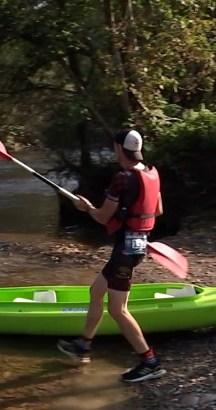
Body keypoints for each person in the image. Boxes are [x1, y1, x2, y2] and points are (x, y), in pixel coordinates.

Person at [57, 129, 167, 383]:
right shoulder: (152, 173)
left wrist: (86, 208)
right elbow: (158, 210)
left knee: (118, 310)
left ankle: (150, 362)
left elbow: (102, 217)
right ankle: (82, 346)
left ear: (119, 148)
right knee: (96, 292)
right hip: (138, 244)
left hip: (126, 250)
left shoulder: (122, 178)